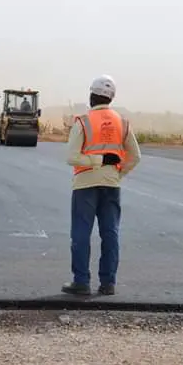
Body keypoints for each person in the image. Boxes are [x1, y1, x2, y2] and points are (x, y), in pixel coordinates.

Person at [63, 74, 141, 296]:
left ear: (91, 96)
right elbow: (135, 156)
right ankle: (108, 283)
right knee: (110, 233)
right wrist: (117, 173)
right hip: (111, 185)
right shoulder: (122, 123)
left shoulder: (83, 121)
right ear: (111, 98)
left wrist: (96, 161)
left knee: (80, 233)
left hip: (85, 183)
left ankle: (81, 282)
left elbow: (71, 156)